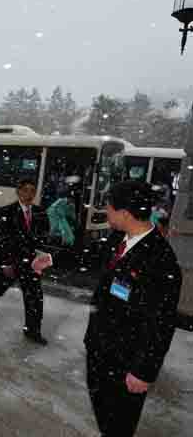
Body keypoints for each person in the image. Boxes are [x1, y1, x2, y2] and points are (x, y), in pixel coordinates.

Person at [80, 181, 182, 437]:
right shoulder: (119, 238)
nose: (107, 213)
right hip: (100, 346)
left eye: (109, 208)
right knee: (103, 410)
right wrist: (51, 258)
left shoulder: (160, 260)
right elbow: (92, 255)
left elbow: (161, 322)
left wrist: (143, 371)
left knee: (120, 423)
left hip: (126, 361)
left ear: (124, 213)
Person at [0, 178, 50, 345]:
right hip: (12, 262)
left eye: (32, 191)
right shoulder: (6, 213)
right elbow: (1, 241)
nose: (29, 194)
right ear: (18, 191)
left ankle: (33, 331)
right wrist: (5, 263)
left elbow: (43, 238)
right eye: (26, 190)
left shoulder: (40, 213)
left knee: (34, 297)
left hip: (32, 264)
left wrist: (43, 257)